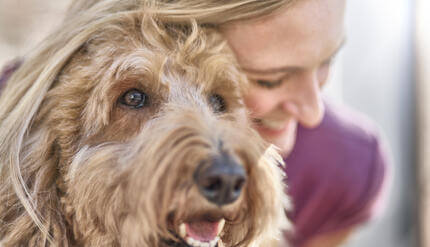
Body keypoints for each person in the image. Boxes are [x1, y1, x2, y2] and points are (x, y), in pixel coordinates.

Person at [0, 0, 390, 246]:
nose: (312, 111)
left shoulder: (343, 166)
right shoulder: (21, 126)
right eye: (269, 78)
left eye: (326, 63)